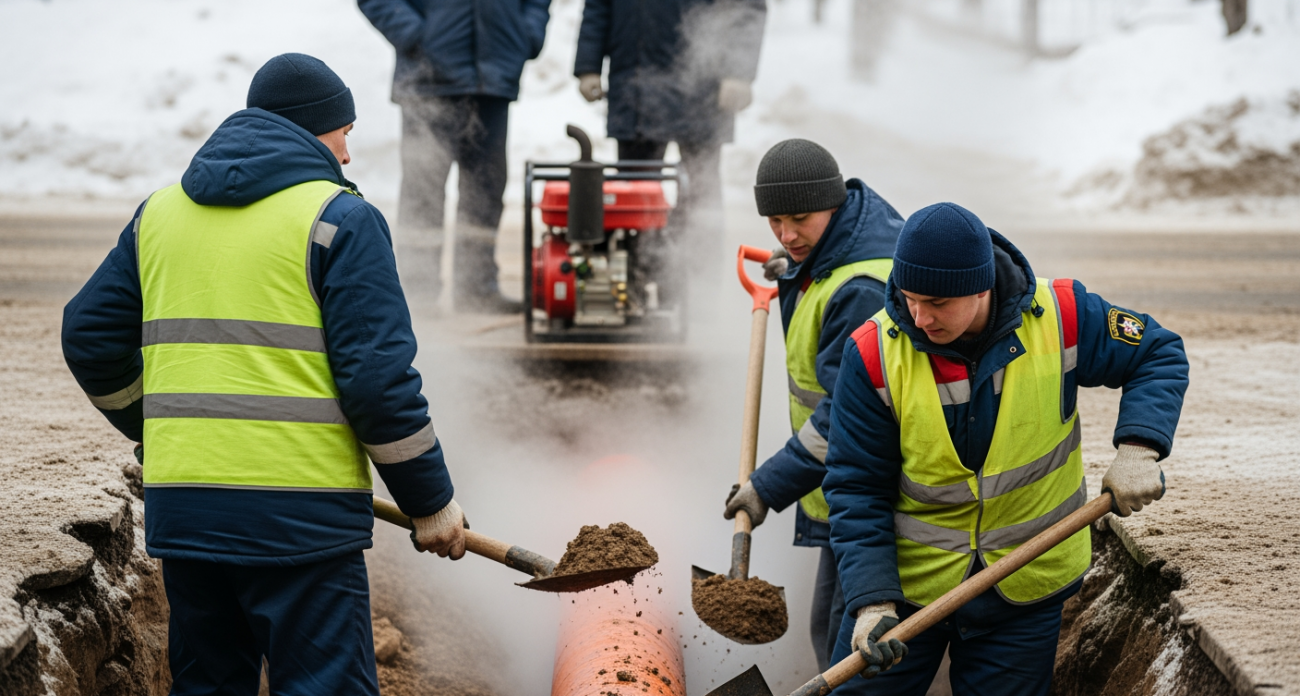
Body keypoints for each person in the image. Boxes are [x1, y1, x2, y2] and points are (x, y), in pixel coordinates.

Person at [61, 54, 466, 695]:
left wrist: (157, 426)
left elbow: (88, 338)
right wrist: (430, 502)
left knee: (208, 685)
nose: (347, 154)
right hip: (300, 519)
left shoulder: (159, 214)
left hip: (186, 507)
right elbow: (377, 384)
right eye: (344, 134)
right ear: (312, 129)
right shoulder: (340, 219)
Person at [823, 202, 1189, 695]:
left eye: (936, 302)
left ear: (981, 287)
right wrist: (872, 601)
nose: (920, 317)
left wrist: (1140, 447)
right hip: (906, 595)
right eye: (909, 299)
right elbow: (856, 487)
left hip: (1024, 590)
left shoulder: (1063, 317)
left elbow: (1157, 351)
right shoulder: (874, 354)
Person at [721, 139, 903, 671]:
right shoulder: (836, 251)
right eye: (775, 221)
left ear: (833, 204)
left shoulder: (860, 288)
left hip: (874, 495)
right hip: (843, 489)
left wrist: (767, 486)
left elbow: (843, 418)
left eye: (799, 220)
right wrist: (800, 268)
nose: (785, 234)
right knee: (827, 631)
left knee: (847, 648)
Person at [358, 0, 552, 312]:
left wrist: (528, 32)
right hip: (428, 80)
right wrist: (414, 34)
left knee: (486, 190)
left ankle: (477, 290)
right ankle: (418, 294)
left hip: (494, 74)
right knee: (423, 192)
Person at [574, 0, 766, 267]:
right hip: (636, 84)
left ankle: (702, 277)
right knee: (635, 195)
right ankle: (636, 275)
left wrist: (738, 71)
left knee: (700, 194)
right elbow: (598, 5)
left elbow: (746, 7)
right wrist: (588, 64)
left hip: (703, 83)